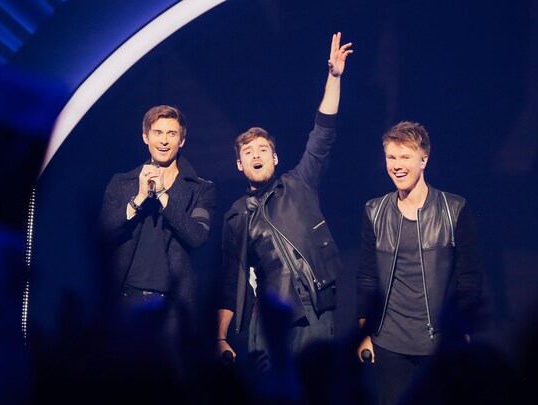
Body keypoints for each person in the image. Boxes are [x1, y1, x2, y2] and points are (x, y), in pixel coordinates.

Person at [215, 32, 353, 370]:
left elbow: (322, 133)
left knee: (314, 387)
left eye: (263, 150)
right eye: (249, 152)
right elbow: (231, 278)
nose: (256, 155)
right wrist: (220, 337)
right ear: (239, 164)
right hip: (268, 320)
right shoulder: (237, 215)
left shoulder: (298, 183)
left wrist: (334, 78)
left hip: (313, 312)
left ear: (275, 158)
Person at [356, 121, 483, 404]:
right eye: (391, 157)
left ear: (424, 160)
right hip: (389, 343)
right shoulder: (375, 210)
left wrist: (462, 328)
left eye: (405, 157)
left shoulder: (454, 209)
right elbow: (366, 276)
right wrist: (364, 332)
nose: (397, 165)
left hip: (439, 344)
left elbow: (469, 278)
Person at [97, 105, 215, 339]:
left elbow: (197, 237)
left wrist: (162, 195)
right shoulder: (122, 183)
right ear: (145, 137)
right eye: (157, 133)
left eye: (171, 134)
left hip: (173, 307)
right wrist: (138, 199)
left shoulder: (201, 189)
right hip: (125, 301)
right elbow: (102, 234)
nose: (164, 141)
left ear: (181, 140)